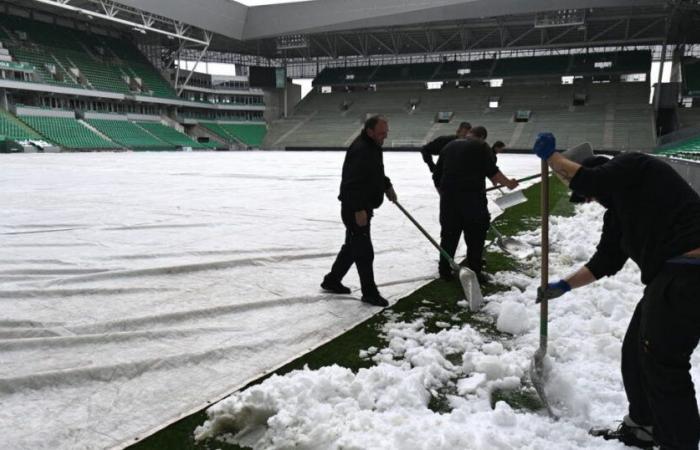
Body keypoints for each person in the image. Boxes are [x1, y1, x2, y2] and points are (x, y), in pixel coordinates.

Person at [533, 133, 700, 450]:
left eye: (588, 195)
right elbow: (605, 262)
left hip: (689, 273)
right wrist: (564, 286)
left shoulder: (633, 165)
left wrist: (552, 158)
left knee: (664, 365)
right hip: (669, 277)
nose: (592, 200)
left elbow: (592, 180)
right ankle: (643, 425)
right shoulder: (619, 213)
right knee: (635, 354)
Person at [321, 116, 397, 307]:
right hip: (355, 208)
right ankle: (369, 293)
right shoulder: (361, 149)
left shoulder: (372, 146)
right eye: (381, 133)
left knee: (352, 247)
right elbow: (351, 183)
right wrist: (358, 209)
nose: (384, 137)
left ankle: (332, 280)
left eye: (386, 133)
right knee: (364, 251)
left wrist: (387, 186)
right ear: (370, 131)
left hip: (364, 206)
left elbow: (376, 172)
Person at [433, 126, 519, 282]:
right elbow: (493, 172)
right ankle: (475, 270)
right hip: (472, 201)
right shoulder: (481, 146)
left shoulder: (449, 146)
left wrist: (445, 195)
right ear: (482, 137)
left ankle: (444, 271)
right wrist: (509, 183)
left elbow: (436, 176)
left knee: (448, 236)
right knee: (475, 236)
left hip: (448, 202)